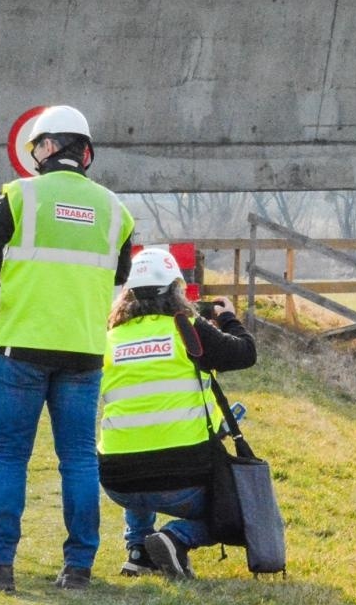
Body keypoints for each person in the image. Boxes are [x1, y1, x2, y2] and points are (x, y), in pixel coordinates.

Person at [0, 105, 134, 593]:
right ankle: (78, 569)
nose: (33, 156)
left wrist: (7, 260)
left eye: (36, 147)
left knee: (9, 457)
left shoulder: (20, 197)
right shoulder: (116, 210)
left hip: (21, 346)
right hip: (82, 349)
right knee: (78, 458)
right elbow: (119, 274)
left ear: (52, 146)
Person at [98, 248, 256, 580]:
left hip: (118, 482)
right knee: (244, 509)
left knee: (138, 453)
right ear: (175, 290)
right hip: (181, 481)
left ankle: (139, 550)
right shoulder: (188, 329)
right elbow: (245, 353)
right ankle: (176, 537)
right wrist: (227, 317)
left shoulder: (109, 338)